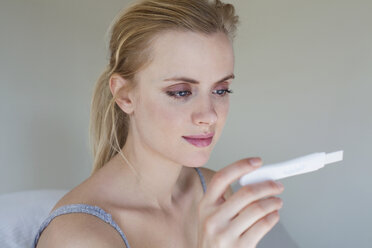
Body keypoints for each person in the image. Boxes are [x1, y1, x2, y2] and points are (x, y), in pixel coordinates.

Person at [33, 0, 284, 247]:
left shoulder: (212, 193)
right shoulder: (78, 237)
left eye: (220, 90)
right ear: (125, 95)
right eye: (181, 92)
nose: (209, 116)